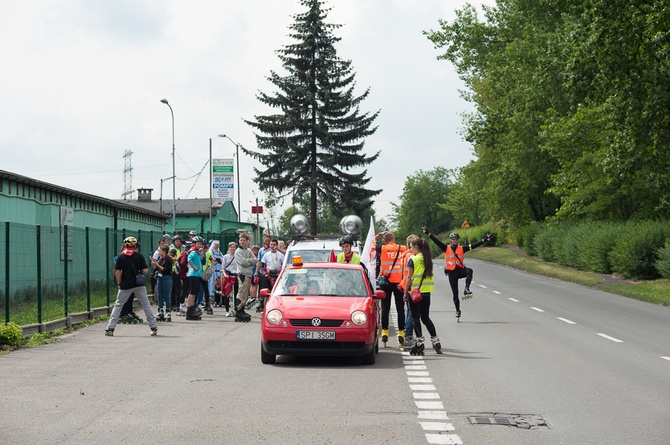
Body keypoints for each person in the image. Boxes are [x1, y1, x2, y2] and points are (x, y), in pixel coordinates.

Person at [423, 226, 491, 320]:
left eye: (456, 239)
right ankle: (458, 310)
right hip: (451, 273)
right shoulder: (446, 248)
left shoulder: (462, 248)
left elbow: (473, 245)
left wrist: (484, 241)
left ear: (458, 240)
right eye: (453, 239)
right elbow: (436, 241)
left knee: (470, 271)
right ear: (450, 240)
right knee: (455, 293)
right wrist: (428, 233)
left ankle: (467, 289)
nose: (455, 240)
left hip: (460, 270)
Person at [105, 237, 158, 336]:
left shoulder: (121, 257)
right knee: (145, 304)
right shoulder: (139, 256)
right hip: (139, 284)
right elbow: (146, 270)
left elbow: (117, 272)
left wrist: (119, 283)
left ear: (125, 245)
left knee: (118, 305)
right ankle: (153, 326)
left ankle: (110, 328)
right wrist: (139, 272)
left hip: (125, 285)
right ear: (135, 245)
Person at [402, 238, 440, 355]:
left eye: (412, 247)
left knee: (415, 318)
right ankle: (435, 340)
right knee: (425, 317)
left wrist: (405, 292)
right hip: (427, 293)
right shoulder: (428, 259)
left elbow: (409, 278)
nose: (411, 249)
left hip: (415, 293)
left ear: (417, 247)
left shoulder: (413, 259)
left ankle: (419, 342)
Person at [377, 232, 407, 348]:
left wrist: (378, 235)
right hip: (399, 282)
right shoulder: (403, 248)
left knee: (385, 308)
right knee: (400, 309)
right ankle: (401, 333)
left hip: (386, 282)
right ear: (394, 239)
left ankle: (384, 331)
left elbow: (371, 243)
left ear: (385, 241)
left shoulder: (383, 248)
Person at [398, 234, 419, 348]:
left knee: (409, 311)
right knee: (412, 313)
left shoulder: (404, 255)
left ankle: (407, 334)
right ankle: (408, 336)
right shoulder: (412, 256)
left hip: (405, 285)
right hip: (411, 286)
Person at [234, 233, 256, 322]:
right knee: (242, 292)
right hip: (242, 274)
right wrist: (249, 261)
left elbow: (255, 260)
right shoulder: (238, 251)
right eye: (241, 240)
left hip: (248, 274)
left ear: (247, 241)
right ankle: (238, 309)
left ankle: (242, 309)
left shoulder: (248, 251)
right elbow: (243, 263)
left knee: (246, 293)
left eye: (244, 240)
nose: (242, 242)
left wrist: (248, 260)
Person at [258, 239, 284, 311]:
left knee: (277, 293)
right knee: (267, 293)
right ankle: (265, 310)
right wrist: (264, 273)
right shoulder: (266, 254)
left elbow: (284, 265)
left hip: (278, 275)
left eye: (274, 245)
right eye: (271, 244)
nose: (272, 246)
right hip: (268, 275)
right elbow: (261, 266)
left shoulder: (280, 255)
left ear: (277, 245)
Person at [184, 236, 206, 320]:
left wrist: (201, 254)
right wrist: (193, 267)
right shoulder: (193, 251)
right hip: (193, 274)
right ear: (194, 244)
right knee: (192, 292)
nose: (200, 245)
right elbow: (189, 260)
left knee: (194, 292)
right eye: (198, 244)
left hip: (197, 274)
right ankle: (190, 308)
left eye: (201, 244)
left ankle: (192, 307)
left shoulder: (197, 252)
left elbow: (202, 260)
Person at [151, 244, 173, 322]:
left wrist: (157, 264)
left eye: (160, 251)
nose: (159, 252)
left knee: (166, 296)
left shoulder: (168, 259)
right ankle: (160, 310)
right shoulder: (161, 259)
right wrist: (153, 263)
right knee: (159, 295)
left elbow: (166, 270)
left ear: (164, 251)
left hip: (166, 278)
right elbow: (156, 268)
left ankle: (168, 311)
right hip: (160, 278)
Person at [170, 235, 186, 313]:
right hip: (174, 270)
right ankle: (176, 304)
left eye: (179, 241)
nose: (178, 243)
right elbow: (171, 259)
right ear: (174, 242)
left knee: (175, 288)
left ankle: (174, 304)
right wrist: (178, 258)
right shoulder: (173, 250)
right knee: (177, 288)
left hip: (178, 271)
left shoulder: (179, 249)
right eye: (176, 241)